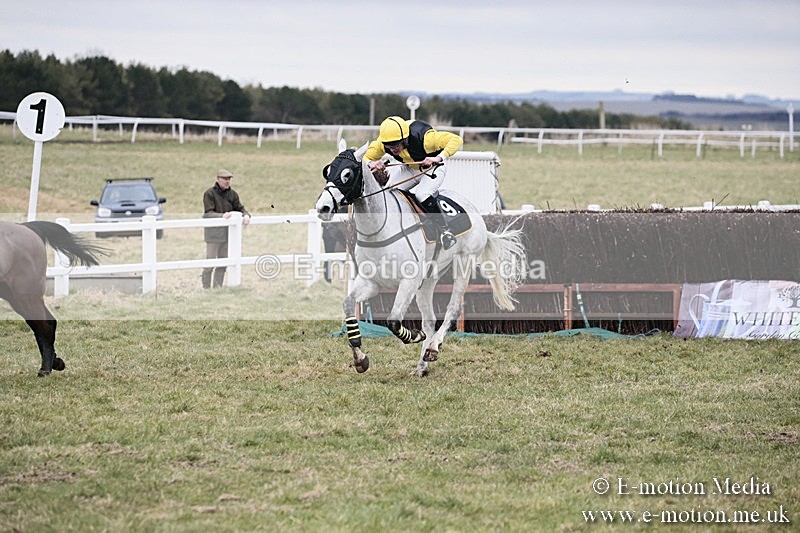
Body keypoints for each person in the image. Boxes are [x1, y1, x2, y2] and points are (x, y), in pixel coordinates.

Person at [364, 116, 463, 250]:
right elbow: (365, 157)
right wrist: (372, 163)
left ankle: (445, 231)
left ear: (405, 139)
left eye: (396, 145)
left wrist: (437, 157)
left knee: (422, 194)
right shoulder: (383, 143)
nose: (393, 150)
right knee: (388, 193)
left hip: (433, 167)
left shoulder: (426, 138)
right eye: (389, 146)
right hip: (410, 168)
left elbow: (456, 139)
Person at [202, 169, 251, 288]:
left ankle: (217, 287)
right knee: (210, 263)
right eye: (225, 179)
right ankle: (206, 288)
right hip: (213, 235)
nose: (227, 181)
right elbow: (208, 213)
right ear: (218, 179)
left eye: (229, 179)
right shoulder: (209, 193)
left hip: (228, 235)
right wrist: (221, 216)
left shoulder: (233, 194)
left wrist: (246, 215)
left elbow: (240, 207)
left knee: (224, 263)